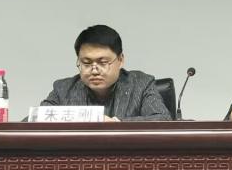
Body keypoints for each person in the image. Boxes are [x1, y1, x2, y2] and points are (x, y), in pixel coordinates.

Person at [39, 25, 172, 121]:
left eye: (103, 62)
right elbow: (36, 119)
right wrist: (88, 119)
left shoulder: (141, 84)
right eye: (86, 63)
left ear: (120, 60)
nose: (94, 70)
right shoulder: (63, 89)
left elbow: (162, 119)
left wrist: (115, 124)